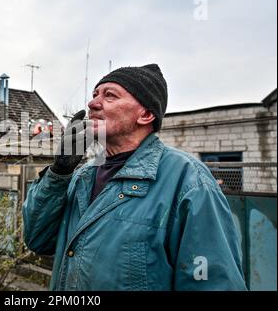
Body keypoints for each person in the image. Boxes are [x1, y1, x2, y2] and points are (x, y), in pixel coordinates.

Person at [22, 64, 247, 291]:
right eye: (94, 95)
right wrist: (59, 172)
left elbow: (215, 284)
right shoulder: (81, 177)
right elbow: (37, 240)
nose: (92, 104)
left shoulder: (188, 181)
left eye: (110, 95)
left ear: (146, 114)